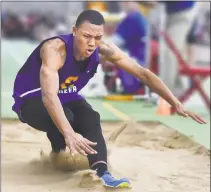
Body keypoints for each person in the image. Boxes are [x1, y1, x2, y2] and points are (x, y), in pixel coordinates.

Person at [12, 10, 206, 189]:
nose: (91, 43)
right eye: (86, 36)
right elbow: (48, 96)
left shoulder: (103, 49)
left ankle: (102, 173)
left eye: (97, 37)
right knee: (67, 118)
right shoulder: (55, 49)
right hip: (31, 100)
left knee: (91, 117)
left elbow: (143, 74)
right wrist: (69, 133)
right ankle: (59, 154)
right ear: (74, 31)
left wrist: (176, 102)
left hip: (66, 96)